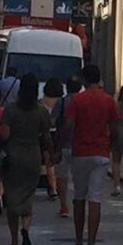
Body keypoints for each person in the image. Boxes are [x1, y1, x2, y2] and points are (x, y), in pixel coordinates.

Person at [64, 64, 120, 245]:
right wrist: (109, 144)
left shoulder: (77, 100)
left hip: (80, 151)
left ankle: (78, 240)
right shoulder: (109, 101)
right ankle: (92, 244)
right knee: (95, 197)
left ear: (84, 81)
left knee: (79, 196)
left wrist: (59, 146)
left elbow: (68, 124)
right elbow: (115, 127)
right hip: (101, 153)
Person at [0, 73, 53, 245]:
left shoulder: (10, 110)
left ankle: (14, 240)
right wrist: (50, 155)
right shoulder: (41, 112)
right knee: (28, 197)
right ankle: (26, 228)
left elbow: (4, 135)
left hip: (14, 156)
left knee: (12, 197)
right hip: (33, 157)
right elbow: (46, 137)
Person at [51, 77, 83, 219]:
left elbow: (52, 121)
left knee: (61, 177)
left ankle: (64, 205)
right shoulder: (84, 101)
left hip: (63, 144)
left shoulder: (62, 102)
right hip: (81, 145)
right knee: (79, 178)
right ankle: (79, 202)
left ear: (67, 88)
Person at [40, 78, 65, 200]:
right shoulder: (61, 102)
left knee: (48, 161)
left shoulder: (41, 102)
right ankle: (58, 187)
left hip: (44, 133)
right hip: (58, 134)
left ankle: (53, 188)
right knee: (58, 163)